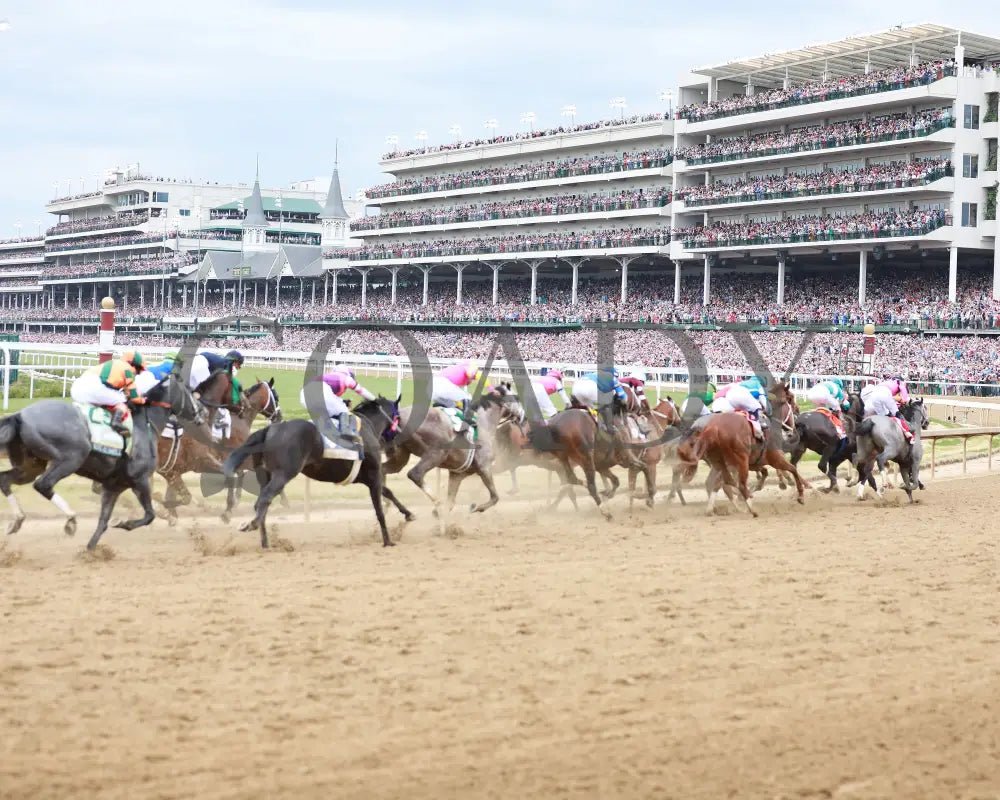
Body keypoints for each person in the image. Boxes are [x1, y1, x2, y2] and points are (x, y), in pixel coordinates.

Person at [300, 369, 376, 448]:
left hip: (304, 395)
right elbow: (360, 390)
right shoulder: (346, 377)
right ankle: (348, 440)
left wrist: (343, 401)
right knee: (346, 413)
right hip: (321, 392)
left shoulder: (328, 376)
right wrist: (374, 400)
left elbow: (331, 397)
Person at [70, 357, 145, 437]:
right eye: (138, 371)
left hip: (76, 387)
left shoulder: (114, 363)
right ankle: (116, 422)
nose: (136, 374)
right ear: (134, 366)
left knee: (105, 401)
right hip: (95, 388)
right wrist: (143, 400)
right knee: (123, 400)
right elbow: (134, 397)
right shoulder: (128, 369)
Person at [188, 349, 243, 440]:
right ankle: (209, 433)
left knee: (193, 395)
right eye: (238, 365)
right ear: (235, 362)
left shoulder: (219, 360)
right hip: (200, 366)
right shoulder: (229, 364)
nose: (237, 368)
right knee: (207, 400)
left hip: (191, 363)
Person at [431, 359, 480, 429]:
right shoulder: (468, 366)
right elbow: (470, 373)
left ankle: (438, 414)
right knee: (467, 397)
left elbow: (455, 394)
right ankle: (467, 419)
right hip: (441, 383)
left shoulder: (456, 370)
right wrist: (475, 375)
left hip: (432, 387)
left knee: (452, 406)